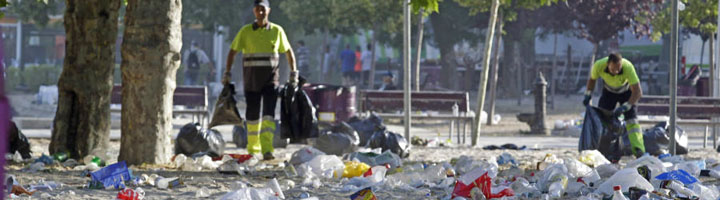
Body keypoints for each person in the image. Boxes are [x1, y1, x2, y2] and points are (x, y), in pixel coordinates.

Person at [222, 0, 297, 160]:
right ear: (254, 11)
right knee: (252, 117)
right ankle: (252, 150)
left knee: (269, 116)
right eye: (258, 9)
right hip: (251, 82)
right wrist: (227, 73)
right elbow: (232, 52)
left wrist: (294, 72)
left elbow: (288, 52)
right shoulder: (246, 31)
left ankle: (267, 150)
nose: (260, 12)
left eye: (263, 9)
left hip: (271, 82)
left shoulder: (277, 31)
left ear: (268, 11)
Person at [583, 53, 644, 157]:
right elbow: (592, 80)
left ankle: (638, 149)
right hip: (608, 93)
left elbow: (638, 91)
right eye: (613, 69)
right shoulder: (599, 65)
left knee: (632, 120)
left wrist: (627, 106)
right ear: (607, 64)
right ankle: (604, 150)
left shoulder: (628, 67)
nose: (616, 71)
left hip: (626, 92)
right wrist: (588, 94)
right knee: (604, 120)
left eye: (618, 69)